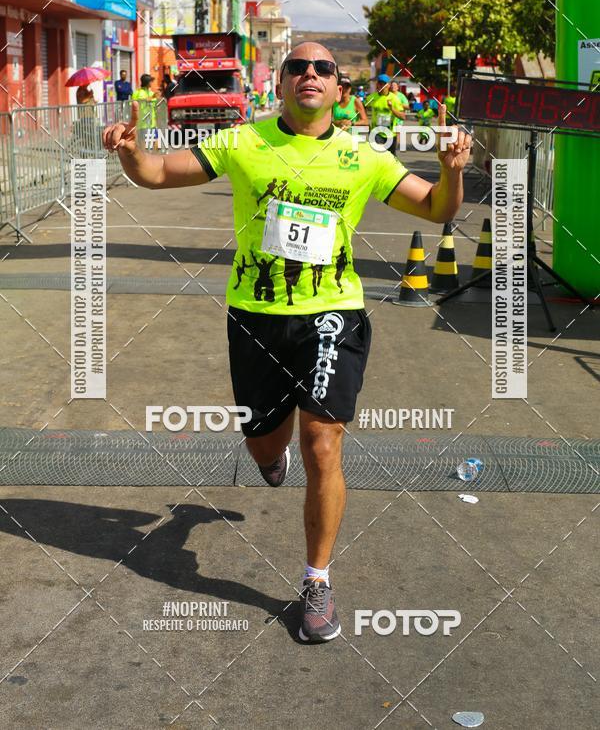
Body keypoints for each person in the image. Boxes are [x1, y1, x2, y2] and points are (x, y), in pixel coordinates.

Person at [102, 42, 471, 644]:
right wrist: (130, 151)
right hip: (257, 316)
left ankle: (317, 580)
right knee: (263, 445)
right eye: (297, 67)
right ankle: (269, 456)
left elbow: (435, 208)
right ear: (279, 84)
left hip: (333, 312)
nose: (310, 74)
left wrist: (452, 170)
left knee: (322, 443)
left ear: (339, 89)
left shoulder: (363, 155)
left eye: (324, 68)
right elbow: (158, 173)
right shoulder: (243, 141)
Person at [364, 74, 406, 155]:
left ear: (388, 85)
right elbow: (362, 107)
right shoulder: (371, 98)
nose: (381, 86)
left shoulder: (394, 99)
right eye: (380, 83)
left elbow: (403, 116)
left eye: (384, 84)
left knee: (391, 157)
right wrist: (365, 120)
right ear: (377, 85)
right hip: (376, 133)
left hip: (390, 134)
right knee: (379, 154)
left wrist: (391, 108)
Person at [131, 74, 157, 148]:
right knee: (144, 145)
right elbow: (144, 100)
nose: (152, 83)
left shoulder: (150, 92)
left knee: (155, 143)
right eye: (151, 81)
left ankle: (152, 154)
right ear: (147, 82)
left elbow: (154, 102)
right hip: (143, 124)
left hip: (152, 123)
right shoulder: (139, 93)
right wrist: (153, 97)